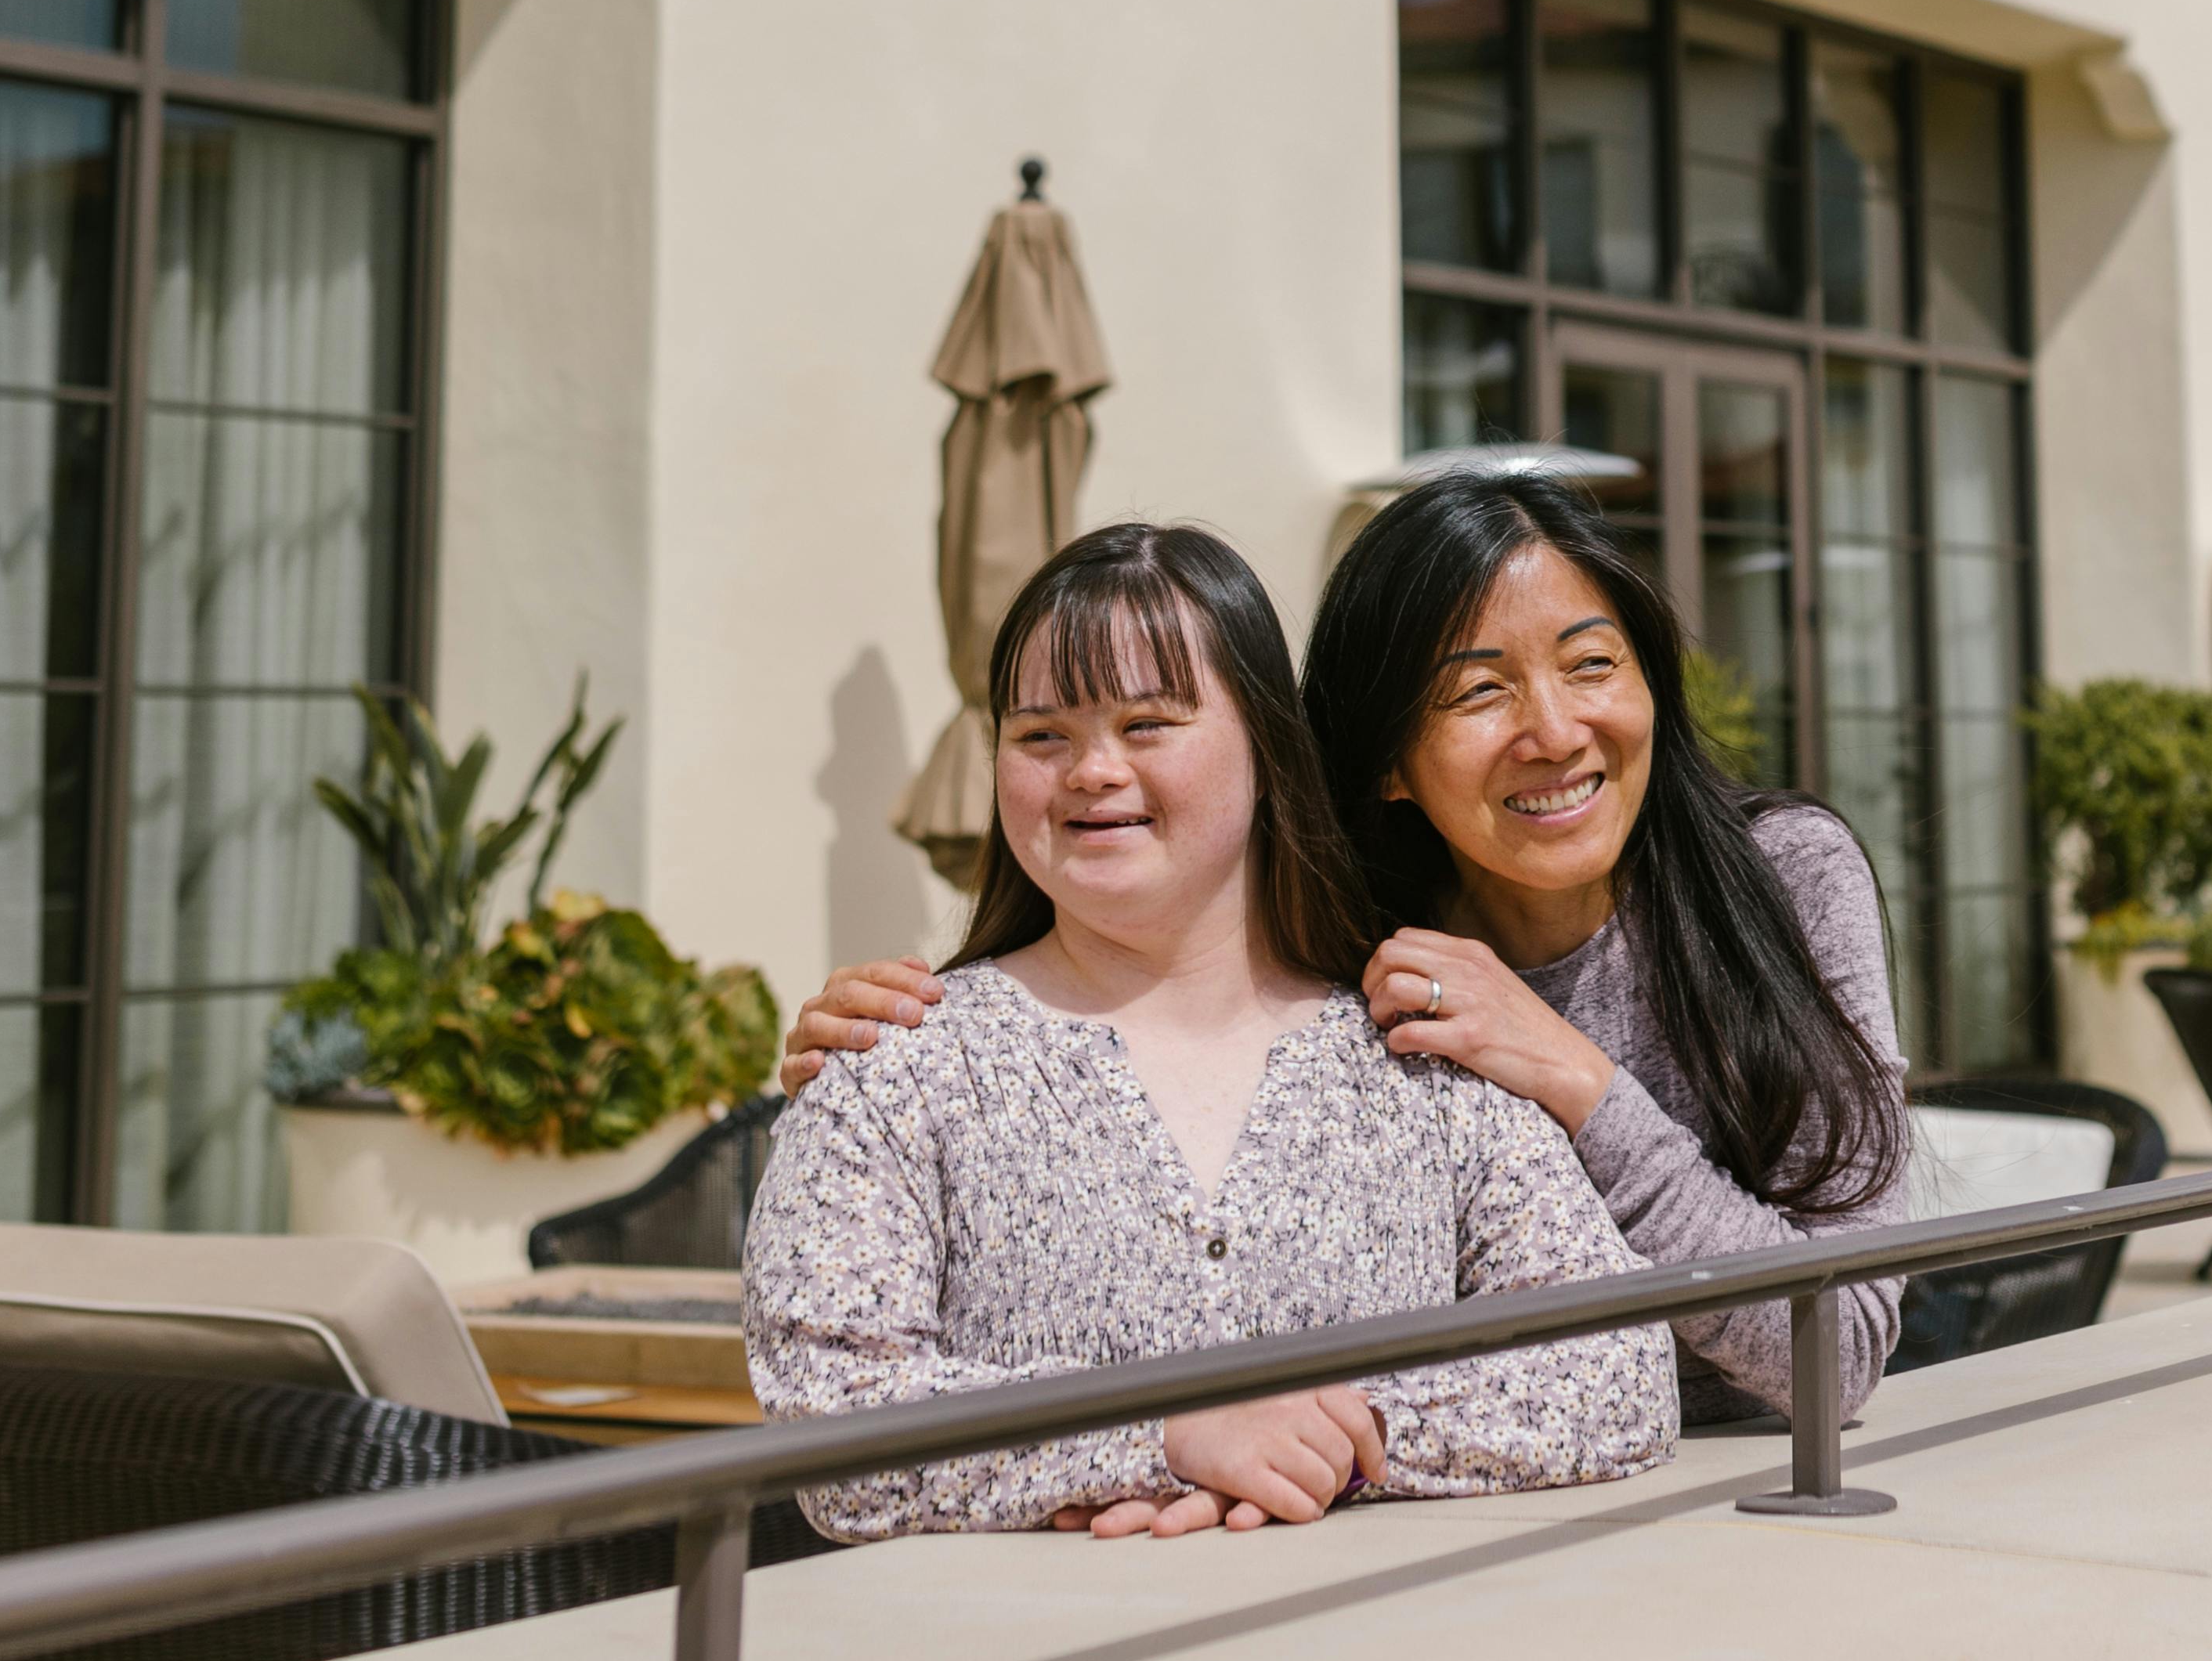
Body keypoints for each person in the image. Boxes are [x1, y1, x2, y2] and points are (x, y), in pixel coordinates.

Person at [783, 475, 1912, 1428]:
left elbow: (1841, 1350)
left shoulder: (1783, 880)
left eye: (1591, 665)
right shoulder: (1354, 953)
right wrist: (883, 1052)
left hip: (1757, 1472)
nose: (1555, 731)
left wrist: (1572, 1077)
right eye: (1479, 690)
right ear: (1385, 765)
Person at [743, 520, 1675, 1544]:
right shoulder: (892, 1069)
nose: (1092, 770)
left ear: (1268, 750)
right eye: (1041, 735)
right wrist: (1163, 1434)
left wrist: (1337, 1434)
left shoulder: (1428, 1057)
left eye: (1148, 724)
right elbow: (831, 1418)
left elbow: (1621, 1370)